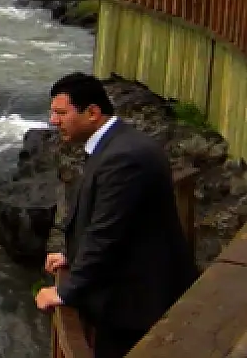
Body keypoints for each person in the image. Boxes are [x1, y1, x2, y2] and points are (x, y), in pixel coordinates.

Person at [34, 72, 198, 358]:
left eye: (61, 112)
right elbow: (110, 216)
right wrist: (72, 256)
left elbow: (106, 233)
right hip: (133, 289)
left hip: (138, 301)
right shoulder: (118, 143)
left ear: (93, 113)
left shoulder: (124, 158)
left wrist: (65, 292)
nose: (53, 121)